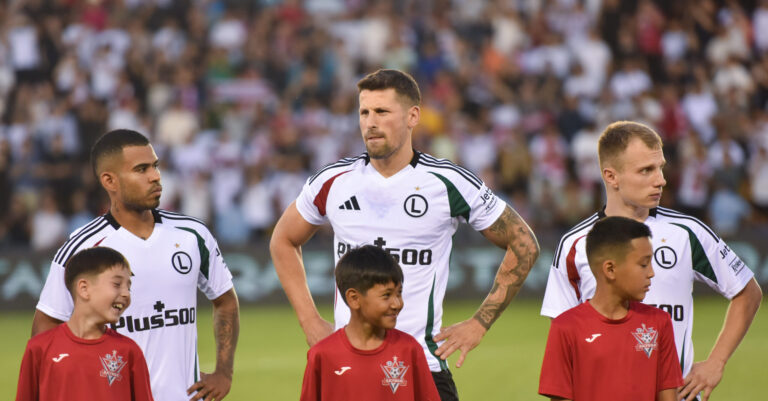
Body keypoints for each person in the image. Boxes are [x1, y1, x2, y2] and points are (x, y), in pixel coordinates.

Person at [270, 69, 540, 401]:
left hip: (422, 368)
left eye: (382, 112)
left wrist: (479, 323)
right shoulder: (333, 180)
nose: (370, 122)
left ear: (413, 116)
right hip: (347, 366)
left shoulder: (447, 182)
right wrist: (309, 320)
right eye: (364, 112)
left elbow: (524, 243)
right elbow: (282, 239)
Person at [541, 121, 762, 401]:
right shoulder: (575, 244)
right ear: (611, 176)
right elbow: (564, 344)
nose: (660, 180)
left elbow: (746, 291)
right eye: (646, 170)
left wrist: (716, 362)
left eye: (660, 167)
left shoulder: (687, 232)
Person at [31, 129, 240, 401]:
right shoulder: (82, 246)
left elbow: (225, 300)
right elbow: (46, 326)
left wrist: (224, 371)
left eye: (155, 166)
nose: (155, 176)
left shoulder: (192, 234)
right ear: (110, 181)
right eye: (141, 169)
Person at [538, 216, 683, 401]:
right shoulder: (565, 328)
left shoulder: (659, 322)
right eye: (643, 264)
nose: (652, 273)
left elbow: (668, 396)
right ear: (610, 269)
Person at [299, 245, 440, 401]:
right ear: (354, 298)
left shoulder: (410, 349)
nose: (397, 304)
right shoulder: (322, 355)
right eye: (386, 295)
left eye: (399, 293)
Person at [16, 247, 154, 401]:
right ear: (84, 288)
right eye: (117, 284)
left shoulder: (129, 351)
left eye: (129, 287)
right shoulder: (40, 348)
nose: (126, 293)